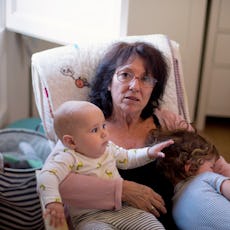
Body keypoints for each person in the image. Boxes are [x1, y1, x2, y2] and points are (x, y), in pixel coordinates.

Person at [54, 41, 230, 229]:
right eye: (125, 75)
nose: (134, 86)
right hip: (105, 222)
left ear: (154, 88)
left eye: (145, 79)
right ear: (108, 82)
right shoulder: (85, 127)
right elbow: (58, 184)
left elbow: (214, 161)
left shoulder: (166, 122)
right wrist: (122, 191)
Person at [37, 100, 174, 229]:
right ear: (71, 142)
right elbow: (46, 176)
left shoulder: (108, 148)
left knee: (153, 226)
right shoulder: (67, 157)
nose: (104, 133)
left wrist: (149, 152)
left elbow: (128, 157)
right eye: (95, 130)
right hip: (90, 218)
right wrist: (53, 202)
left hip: (124, 210)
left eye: (103, 126)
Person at [152, 130, 230, 230]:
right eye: (212, 166)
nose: (215, 171)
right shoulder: (204, 178)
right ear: (191, 168)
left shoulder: (176, 211)